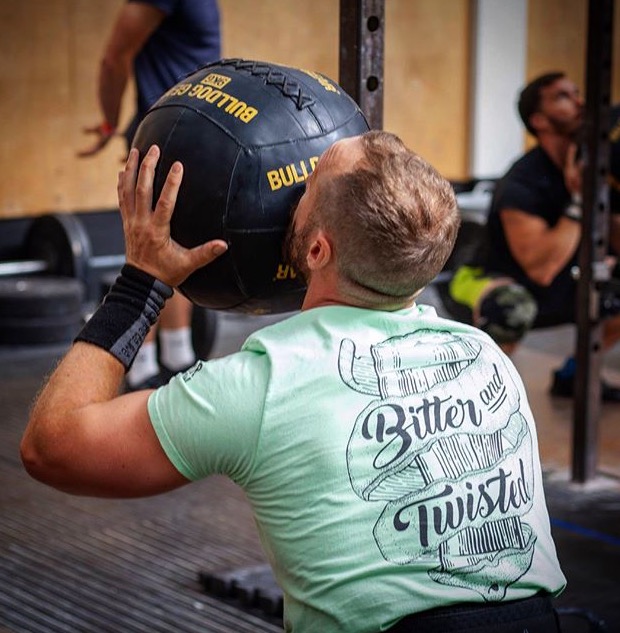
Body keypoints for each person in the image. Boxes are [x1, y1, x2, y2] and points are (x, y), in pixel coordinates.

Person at [21, 131, 566, 633]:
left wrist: (141, 280)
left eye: (306, 187)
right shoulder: (486, 357)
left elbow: (52, 446)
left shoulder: (264, 381)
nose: (294, 192)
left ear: (316, 250)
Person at [446, 71, 620, 401]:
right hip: (488, 280)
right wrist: (581, 200)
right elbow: (541, 267)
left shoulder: (596, 168)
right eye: (563, 97)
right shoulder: (522, 182)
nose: (581, 102)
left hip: (557, 284)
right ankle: (469, 399)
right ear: (539, 120)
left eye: (578, 93)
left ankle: (575, 375)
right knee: (513, 309)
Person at [78, 0, 222, 390]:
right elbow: (115, 58)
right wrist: (113, 122)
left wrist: (114, 123)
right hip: (175, 135)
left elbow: (119, 58)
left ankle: (172, 358)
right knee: (158, 247)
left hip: (180, 134)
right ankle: (146, 365)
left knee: (174, 243)